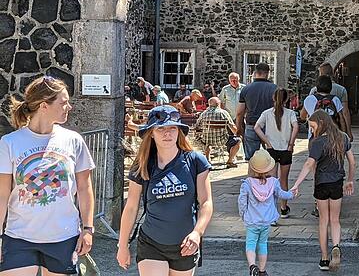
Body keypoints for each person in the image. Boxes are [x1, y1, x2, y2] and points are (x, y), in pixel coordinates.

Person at [0, 76, 96, 275]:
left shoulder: (73, 140)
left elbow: (85, 188)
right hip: (19, 237)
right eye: (63, 102)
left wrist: (88, 229)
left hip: (63, 238)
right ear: (44, 105)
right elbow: (2, 195)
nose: (69, 107)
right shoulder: (10, 143)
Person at [116, 105, 213, 275]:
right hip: (152, 243)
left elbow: (206, 202)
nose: (167, 134)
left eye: (172, 128)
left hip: (185, 244)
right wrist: (122, 245)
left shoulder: (196, 161)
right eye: (161, 129)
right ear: (151, 133)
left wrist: (197, 233)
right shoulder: (143, 165)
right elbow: (131, 207)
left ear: (179, 132)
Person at [291, 110, 355, 272]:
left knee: (323, 221)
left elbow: (308, 164)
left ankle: (325, 258)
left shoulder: (317, 142)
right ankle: (336, 246)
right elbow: (352, 162)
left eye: (313, 127)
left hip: (321, 184)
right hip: (337, 183)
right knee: (335, 220)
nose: (312, 130)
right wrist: (350, 181)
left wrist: (296, 184)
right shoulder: (343, 137)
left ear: (321, 123)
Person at [238, 149, 297, 276]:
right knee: (263, 244)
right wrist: (291, 194)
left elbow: (242, 202)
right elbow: (282, 195)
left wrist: (243, 214)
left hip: (252, 221)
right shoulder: (273, 183)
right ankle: (262, 270)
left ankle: (252, 265)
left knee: (251, 244)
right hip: (266, 221)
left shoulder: (247, 184)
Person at [254, 88, 299, 218]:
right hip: (285, 149)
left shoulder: (267, 113)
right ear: (286, 99)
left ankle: (271, 211)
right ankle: (283, 208)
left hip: (271, 149)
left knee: (271, 181)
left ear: (273, 98)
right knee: (283, 180)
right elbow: (296, 126)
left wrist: (266, 141)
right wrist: (291, 143)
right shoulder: (290, 113)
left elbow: (257, 127)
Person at [237, 64, 277, 161]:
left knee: (252, 159)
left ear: (255, 73)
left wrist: (239, 127)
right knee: (270, 157)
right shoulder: (275, 89)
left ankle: (252, 175)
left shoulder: (246, 89)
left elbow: (239, 112)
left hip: (252, 124)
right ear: (268, 73)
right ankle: (269, 175)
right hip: (270, 125)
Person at [194, 97, 241, 168]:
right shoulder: (224, 113)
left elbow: (197, 127)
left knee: (206, 142)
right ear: (218, 104)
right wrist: (237, 134)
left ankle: (207, 159)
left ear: (209, 105)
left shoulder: (204, 114)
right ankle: (230, 160)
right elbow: (233, 128)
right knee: (238, 140)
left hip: (207, 140)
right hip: (222, 140)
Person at [310, 63, 353, 140]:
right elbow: (345, 112)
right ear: (332, 73)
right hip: (335, 128)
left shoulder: (314, 91)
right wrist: (348, 131)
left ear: (321, 74)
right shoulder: (341, 89)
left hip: (318, 129)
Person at [302, 76, 348, 140]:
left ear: (316, 87)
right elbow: (341, 119)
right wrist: (343, 134)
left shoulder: (309, 99)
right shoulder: (335, 99)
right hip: (332, 135)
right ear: (330, 87)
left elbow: (302, 116)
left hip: (315, 135)